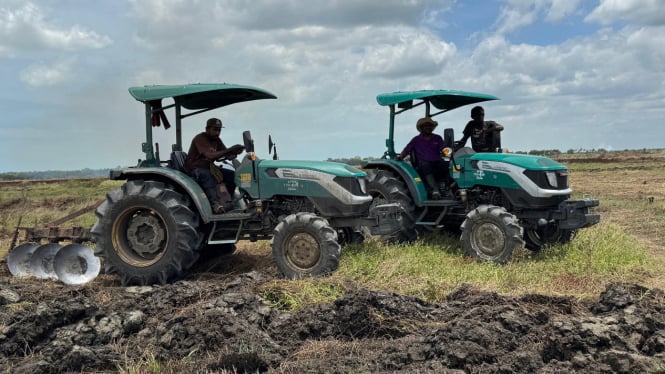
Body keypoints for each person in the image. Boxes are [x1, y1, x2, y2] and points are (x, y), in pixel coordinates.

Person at [184, 117, 245, 213]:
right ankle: (216, 205)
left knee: (232, 175)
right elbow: (210, 155)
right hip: (195, 169)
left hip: (208, 167)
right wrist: (230, 149)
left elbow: (225, 153)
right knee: (207, 175)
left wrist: (235, 151)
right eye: (215, 129)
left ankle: (227, 201)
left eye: (219, 130)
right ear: (207, 129)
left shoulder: (216, 140)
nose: (217, 132)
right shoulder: (200, 138)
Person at [396, 116, 450, 199]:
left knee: (448, 164)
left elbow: (444, 149)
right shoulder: (416, 140)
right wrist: (400, 157)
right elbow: (407, 150)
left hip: (436, 163)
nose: (428, 127)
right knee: (426, 165)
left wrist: (449, 152)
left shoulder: (437, 138)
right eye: (426, 126)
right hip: (422, 165)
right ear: (421, 128)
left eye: (430, 126)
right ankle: (435, 190)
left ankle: (448, 188)